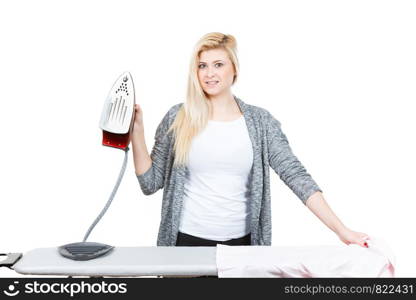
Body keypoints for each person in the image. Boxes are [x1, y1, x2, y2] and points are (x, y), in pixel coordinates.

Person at [131, 32, 369, 249]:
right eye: (202, 66)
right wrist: (137, 132)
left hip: (242, 247)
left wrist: (342, 231)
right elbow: (149, 183)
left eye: (218, 65)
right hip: (185, 242)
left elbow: (296, 176)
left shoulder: (260, 122)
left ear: (234, 69)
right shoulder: (179, 117)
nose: (209, 73)